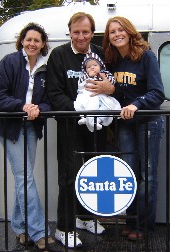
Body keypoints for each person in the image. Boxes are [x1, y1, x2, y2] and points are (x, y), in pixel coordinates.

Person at [86, 16, 165, 241]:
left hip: (148, 122)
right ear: (108, 38)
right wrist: (107, 88)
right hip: (124, 125)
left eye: (121, 30)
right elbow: (118, 92)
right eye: (112, 32)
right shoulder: (112, 61)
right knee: (128, 175)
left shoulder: (146, 56)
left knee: (147, 175)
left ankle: (144, 226)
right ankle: (131, 221)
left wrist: (136, 105)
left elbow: (158, 93)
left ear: (130, 32)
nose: (117, 34)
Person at [46, 12, 115, 248]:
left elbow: (111, 82)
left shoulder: (102, 53)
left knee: (93, 174)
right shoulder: (59, 55)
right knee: (69, 175)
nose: (81, 36)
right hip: (70, 125)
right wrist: (79, 112)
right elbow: (54, 94)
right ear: (70, 32)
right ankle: (63, 227)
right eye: (76, 32)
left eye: (85, 32)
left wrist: (108, 88)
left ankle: (86, 218)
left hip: (97, 127)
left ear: (92, 32)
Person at [0, 22, 57, 251]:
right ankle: (38, 231)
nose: (32, 44)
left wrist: (39, 109)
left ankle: (20, 228)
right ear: (22, 41)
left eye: (37, 40)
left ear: (43, 44)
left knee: (22, 178)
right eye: (29, 39)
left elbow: (49, 101)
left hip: (32, 127)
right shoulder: (10, 62)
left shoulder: (45, 69)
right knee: (24, 177)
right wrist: (23, 106)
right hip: (11, 127)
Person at [74, 52, 121, 132]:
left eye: (95, 65)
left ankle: (98, 120)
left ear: (100, 66)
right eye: (89, 67)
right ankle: (85, 118)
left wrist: (107, 83)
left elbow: (112, 82)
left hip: (102, 97)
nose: (92, 68)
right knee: (83, 105)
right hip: (89, 96)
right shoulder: (84, 76)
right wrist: (89, 77)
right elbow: (80, 86)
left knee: (106, 108)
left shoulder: (105, 74)